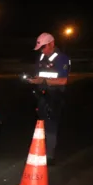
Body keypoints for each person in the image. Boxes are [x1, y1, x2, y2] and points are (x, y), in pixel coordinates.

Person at [25, 32, 70, 165]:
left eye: (44, 47)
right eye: (40, 48)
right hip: (42, 95)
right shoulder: (41, 57)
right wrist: (34, 80)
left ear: (52, 44)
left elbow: (63, 81)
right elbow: (40, 75)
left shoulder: (62, 58)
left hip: (55, 96)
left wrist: (43, 80)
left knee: (51, 125)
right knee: (41, 125)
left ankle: (50, 156)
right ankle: (41, 150)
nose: (42, 50)